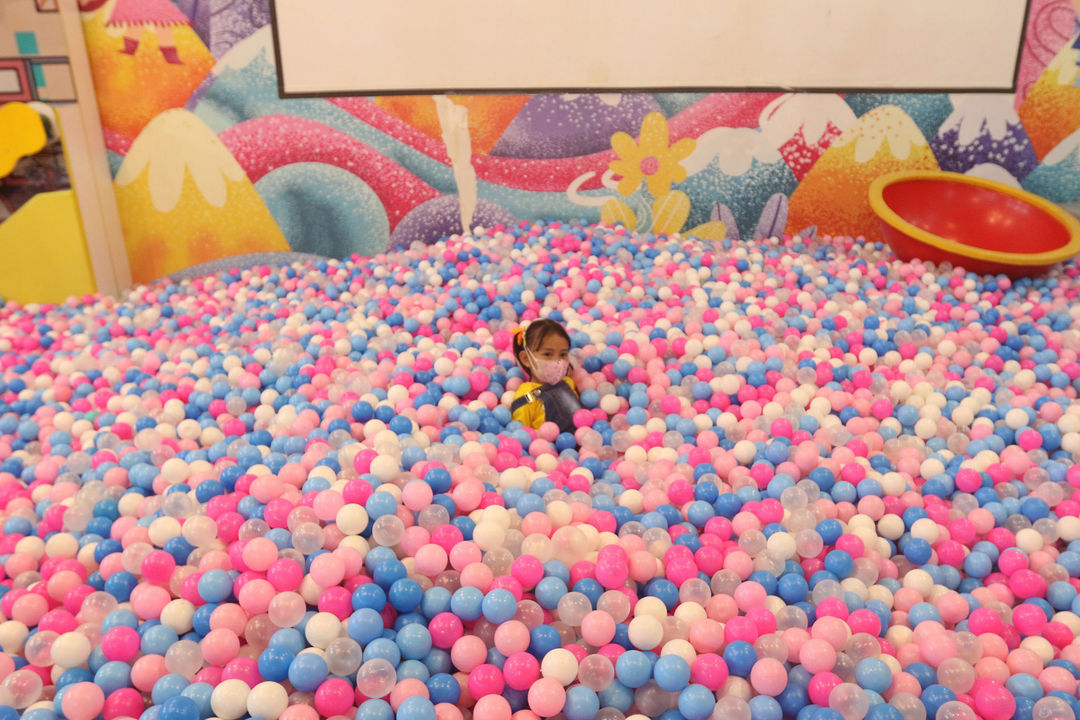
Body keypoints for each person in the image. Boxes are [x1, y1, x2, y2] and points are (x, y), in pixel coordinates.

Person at [510, 319, 583, 435]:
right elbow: (521, 435)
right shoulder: (527, 397)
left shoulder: (568, 382)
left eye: (563, 354)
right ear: (526, 359)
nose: (558, 361)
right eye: (548, 354)